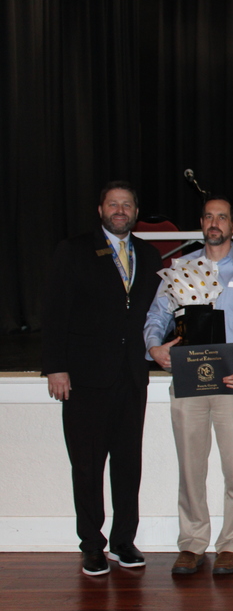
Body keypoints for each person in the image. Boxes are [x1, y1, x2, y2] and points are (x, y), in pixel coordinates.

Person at [144, 195, 233, 576]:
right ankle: (192, 542)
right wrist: (154, 347)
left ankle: (231, 544)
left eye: (222, 217)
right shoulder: (179, 269)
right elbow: (156, 315)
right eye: (208, 217)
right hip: (188, 379)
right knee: (190, 468)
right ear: (201, 223)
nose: (214, 223)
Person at [42, 181, 162, 576]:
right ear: (100, 210)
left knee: (128, 465)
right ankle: (92, 545)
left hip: (131, 376)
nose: (120, 210)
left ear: (136, 212)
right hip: (84, 378)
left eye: (127, 204)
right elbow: (54, 311)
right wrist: (55, 366)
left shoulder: (149, 254)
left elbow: (155, 312)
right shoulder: (73, 250)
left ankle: (124, 541)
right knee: (88, 466)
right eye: (113, 204)